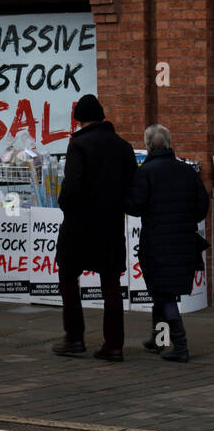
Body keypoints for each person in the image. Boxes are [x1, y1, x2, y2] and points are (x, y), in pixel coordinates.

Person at [53, 95, 136, 361]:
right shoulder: (123, 147)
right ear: (102, 117)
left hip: (79, 224)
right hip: (110, 225)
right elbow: (133, 188)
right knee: (111, 285)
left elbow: (72, 187)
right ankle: (113, 345)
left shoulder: (79, 145)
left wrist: (65, 204)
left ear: (80, 118)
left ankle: (74, 338)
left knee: (67, 278)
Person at [124, 124, 209, 363]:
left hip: (157, 242)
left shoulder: (146, 172)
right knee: (162, 292)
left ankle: (180, 346)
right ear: (169, 143)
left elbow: (135, 206)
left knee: (164, 295)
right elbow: (202, 206)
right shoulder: (187, 172)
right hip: (184, 242)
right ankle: (158, 339)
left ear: (149, 145)